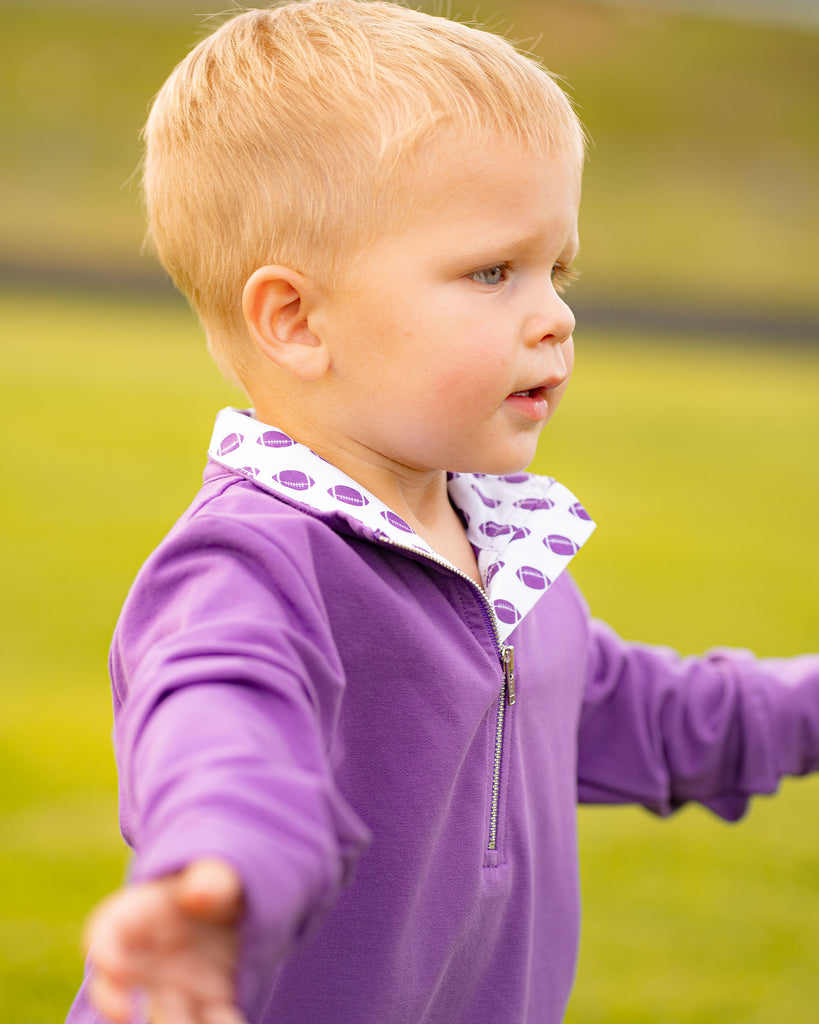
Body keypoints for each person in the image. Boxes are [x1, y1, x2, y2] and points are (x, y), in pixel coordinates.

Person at [67, 2, 819, 1022]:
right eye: (493, 272)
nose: (553, 314)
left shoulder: (492, 554)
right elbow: (221, 730)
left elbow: (647, 714)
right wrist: (213, 872)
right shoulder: (249, 565)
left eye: (559, 270)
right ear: (295, 319)